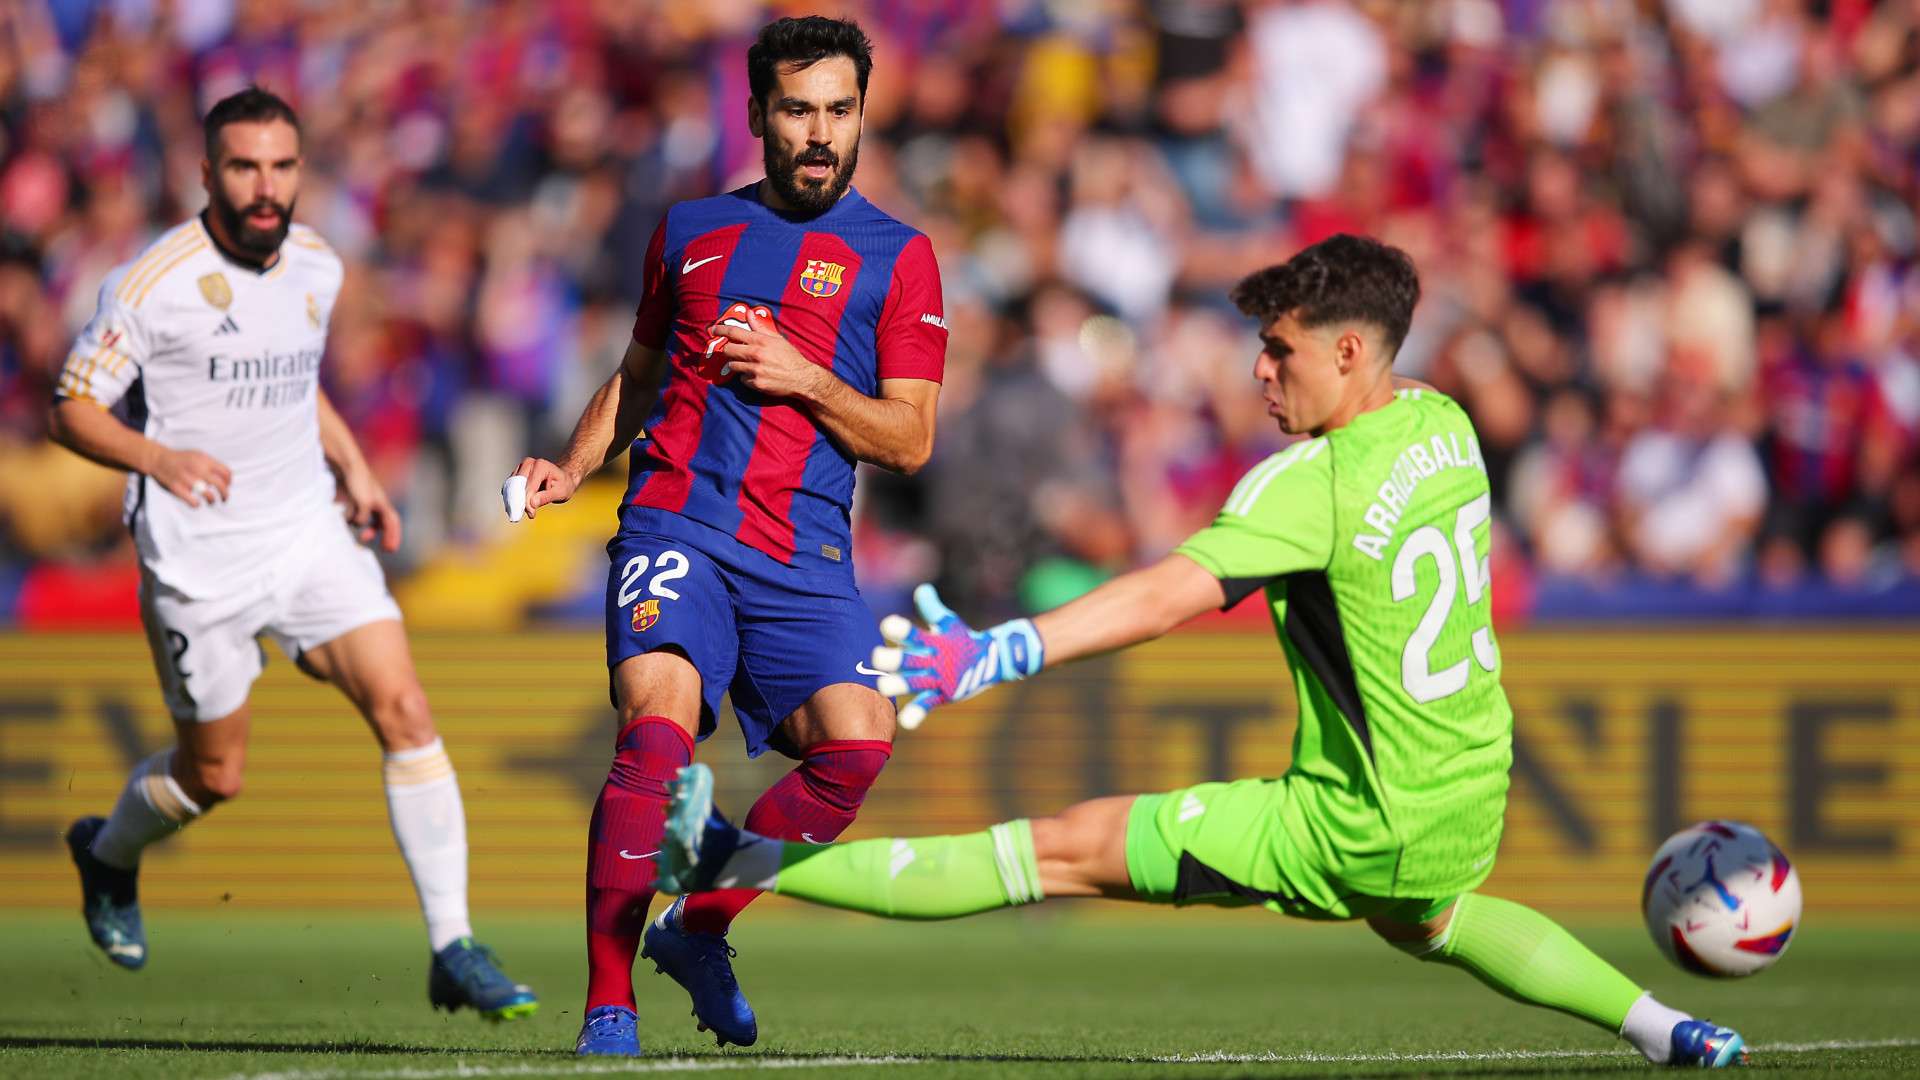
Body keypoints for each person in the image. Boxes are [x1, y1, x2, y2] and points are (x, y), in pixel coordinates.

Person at [658, 234, 1749, 1069]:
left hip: (1349, 823)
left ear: (1350, 351)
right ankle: (1669, 1029)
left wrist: (998, 653)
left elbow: (1165, 595)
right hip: (1467, 799)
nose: (1262, 374)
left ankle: (734, 860)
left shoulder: (1310, 483)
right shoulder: (1445, 426)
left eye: (1280, 352)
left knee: (1048, 853)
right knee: (1440, 920)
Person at [508, 16, 946, 1057]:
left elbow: (911, 437)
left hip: (805, 555)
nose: (819, 132)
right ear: (757, 115)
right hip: (678, 521)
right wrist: (571, 467)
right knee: (654, 724)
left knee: (859, 742)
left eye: (840, 110)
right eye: (798, 109)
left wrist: (807, 378)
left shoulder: (901, 256)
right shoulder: (690, 228)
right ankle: (608, 1004)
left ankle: (700, 927)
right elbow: (639, 374)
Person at [50, 87, 536, 1021]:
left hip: (307, 532)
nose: (265, 185)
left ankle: (453, 945)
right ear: (206, 174)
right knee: (213, 777)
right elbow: (70, 407)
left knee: (404, 705)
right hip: (199, 561)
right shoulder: (151, 285)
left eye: (281, 166)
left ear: (300, 171)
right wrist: (157, 456)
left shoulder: (316, 264)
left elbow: (294, 382)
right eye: (243, 166)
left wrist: (353, 467)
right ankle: (107, 854)